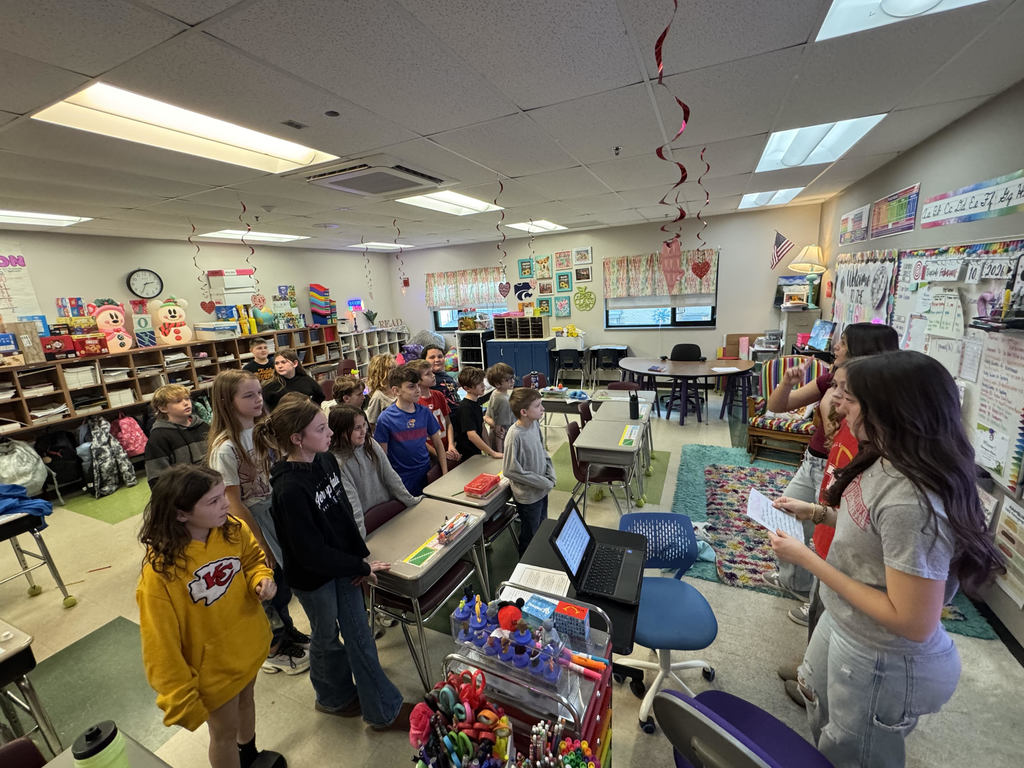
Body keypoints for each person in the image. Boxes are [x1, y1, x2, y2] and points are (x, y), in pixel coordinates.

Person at [770, 351, 1004, 768]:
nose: (839, 405)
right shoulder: (885, 457)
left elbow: (913, 621)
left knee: (852, 751)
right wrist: (817, 513)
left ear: (893, 412)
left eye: (852, 399)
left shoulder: (912, 501)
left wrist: (807, 558)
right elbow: (872, 530)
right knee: (819, 711)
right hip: (846, 624)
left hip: (880, 653)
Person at [254, 397, 413, 730]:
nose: (329, 433)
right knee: (326, 638)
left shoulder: (325, 461)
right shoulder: (288, 489)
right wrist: (357, 567)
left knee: (359, 637)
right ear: (297, 438)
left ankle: (382, 709)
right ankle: (332, 697)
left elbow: (341, 517)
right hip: (314, 579)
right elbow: (309, 553)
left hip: (341, 566)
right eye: (321, 428)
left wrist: (360, 561)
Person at [137, 465, 284, 768]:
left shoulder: (232, 528)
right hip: (212, 672)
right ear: (181, 514)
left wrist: (260, 578)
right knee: (223, 733)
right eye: (214, 501)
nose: (226, 504)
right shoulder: (160, 575)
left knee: (247, 702)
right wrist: (180, 699)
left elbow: (253, 560)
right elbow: (159, 645)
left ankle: (250, 754)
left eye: (223, 496)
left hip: (246, 648)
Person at [763, 322, 899, 621]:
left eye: (844, 343)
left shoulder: (876, 398)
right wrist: (787, 383)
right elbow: (777, 406)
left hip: (840, 467)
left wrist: (833, 403)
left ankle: (816, 602)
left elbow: (841, 433)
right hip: (814, 461)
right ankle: (795, 582)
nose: (835, 346)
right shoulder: (831, 380)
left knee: (828, 538)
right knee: (786, 515)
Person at [206, 370, 310, 676]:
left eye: (259, 394)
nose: (258, 400)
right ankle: (272, 648)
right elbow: (234, 503)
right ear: (227, 401)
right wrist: (260, 542)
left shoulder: (261, 430)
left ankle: (287, 632)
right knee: (267, 585)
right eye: (248, 395)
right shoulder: (225, 448)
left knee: (284, 581)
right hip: (252, 522)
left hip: (274, 512)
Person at [328, 404, 421, 539]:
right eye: (357, 428)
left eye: (364, 425)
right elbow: (352, 503)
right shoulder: (336, 462)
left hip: (389, 515)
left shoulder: (370, 443)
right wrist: (361, 542)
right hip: (367, 527)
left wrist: (410, 501)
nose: (363, 431)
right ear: (341, 432)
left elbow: (391, 476)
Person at [374, 365, 447, 495]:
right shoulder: (385, 418)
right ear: (396, 391)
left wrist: (445, 473)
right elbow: (382, 457)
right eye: (411, 387)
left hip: (426, 472)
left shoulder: (424, 412)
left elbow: (438, 444)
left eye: (418, 385)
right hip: (401, 479)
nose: (418, 390)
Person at [502, 387, 555, 554]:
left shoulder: (534, 424)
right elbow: (510, 470)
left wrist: (550, 475)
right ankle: (526, 563)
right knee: (530, 533)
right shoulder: (514, 435)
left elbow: (542, 450)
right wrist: (543, 482)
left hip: (542, 489)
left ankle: (539, 555)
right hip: (529, 496)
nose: (543, 409)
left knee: (542, 526)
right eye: (538, 406)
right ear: (524, 411)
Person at [145, 384, 210, 487]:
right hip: (184, 492)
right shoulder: (158, 437)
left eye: (187, 399)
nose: (186, 403)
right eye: (178, 401)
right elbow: (157, 478)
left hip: (212, 485)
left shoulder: (203, 426)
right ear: (163, 408)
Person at [407, 358, 460, 467]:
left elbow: (448, 423)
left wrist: (451, 445)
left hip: (447, 448)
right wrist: (439, 454)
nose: (433, 375)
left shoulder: (438, 395)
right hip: (431, 454)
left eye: (432, 372)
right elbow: (420, 437)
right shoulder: (415, 404)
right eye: (428, 374)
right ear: (418, 380)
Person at [453, 366, 502, 460]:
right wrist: (493, 453)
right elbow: (472, 435)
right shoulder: (465, 408)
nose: (483, 386)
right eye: (478, 384)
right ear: (467, 388)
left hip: (477, 452)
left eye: (482, 382)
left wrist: (490, 451)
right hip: (467, 456)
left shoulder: (476, 403)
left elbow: (482, 427)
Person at [485, 362, 515, 453]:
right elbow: (499, 431)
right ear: (497, 384)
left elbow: (488, 416)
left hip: (496, 436)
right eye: (508, 380)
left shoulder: (495, 392)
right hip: (503, 441)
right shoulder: (503, 401)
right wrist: (500, 453)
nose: (512, 381)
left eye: (512, 378)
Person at [364, 353, 397, 433]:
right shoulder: (378, 396)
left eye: (394, 368)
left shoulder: (397, 389)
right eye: (390, 369)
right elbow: (371, 424)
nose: (394, 371)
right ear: (379, 373)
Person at [423, 344, 458, 411]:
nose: (437, 360)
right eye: (432, 357)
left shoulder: (446, 375)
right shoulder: (427, 380)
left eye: (440, 356)